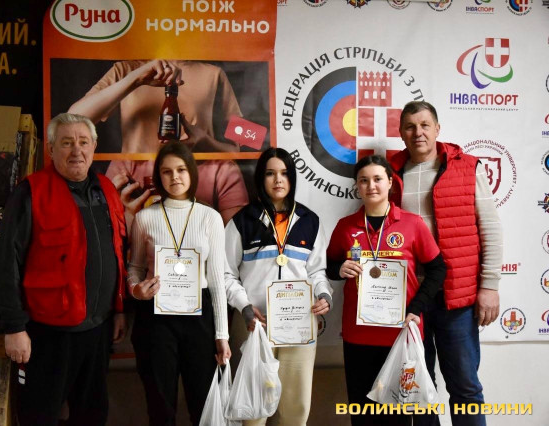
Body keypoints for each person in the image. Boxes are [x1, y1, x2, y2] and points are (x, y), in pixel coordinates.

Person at [0, 113, 128, 425]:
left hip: (98, 330)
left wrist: (119, 309)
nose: (76, 150)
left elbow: (118, 253)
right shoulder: (31, 193)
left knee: (92, 416)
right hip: (47, 335)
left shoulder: (107, 189)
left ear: (94, 146)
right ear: (51, 149)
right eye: (67, 143)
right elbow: (6, 264)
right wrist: (14, 327)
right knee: (40, 416)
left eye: (83, 142)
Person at [389, 101, 502, 426]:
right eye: (410, 126)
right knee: (419, 391)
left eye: (425, 125)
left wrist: (489, 286)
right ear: (401, 133)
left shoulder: (467, 167)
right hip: (412, 299)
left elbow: (491, 228)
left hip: (457, 298)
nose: (418, 132)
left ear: (437, 129)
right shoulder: (390, 174)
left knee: (465, 387)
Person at [326, 155, 447, 426]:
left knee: (399, 415)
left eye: (378, 179)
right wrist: (339, 269)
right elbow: (329, 267)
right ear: (357, 186)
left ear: (390, 182)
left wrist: (416, 308)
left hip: (401, 333)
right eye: (364, 180)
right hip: (359, 334)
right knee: (362, 413)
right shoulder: (345, 226)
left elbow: (438, 269)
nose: (371, 186)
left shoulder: (412, 223)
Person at [224, 147, 332, 426]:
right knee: (253, 408)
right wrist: (244, 307)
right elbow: (226, 275)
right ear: (260, 178)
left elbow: (317, 271)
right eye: (270, 173)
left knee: (295, 407)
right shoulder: (241, 222)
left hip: (299, 323)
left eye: (284, 173)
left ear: (292, 177)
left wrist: (324, 294)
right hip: (254, 323)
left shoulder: (309, 221)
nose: (278, 180)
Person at [68, 59, 249, 224]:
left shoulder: (214, 74)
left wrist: (204, 141)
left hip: (200, 178)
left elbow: (247, 141)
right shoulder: (125, 69)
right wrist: (136, 79)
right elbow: (71, 121)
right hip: (133, 182)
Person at [127, 141, 231, 425]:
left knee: (203, 402)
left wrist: (222, 334)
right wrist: (136, 290)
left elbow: (217, 280)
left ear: (192, 172)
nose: (175, 177)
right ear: (158, 176)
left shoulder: (210, 218)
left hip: (200, 316)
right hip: (156, 318)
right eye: (167, 171)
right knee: (160, 404)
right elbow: (134, 268)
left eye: (181, 169)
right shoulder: (145, 218)